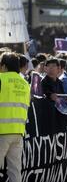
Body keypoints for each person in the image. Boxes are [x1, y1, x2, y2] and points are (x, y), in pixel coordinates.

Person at [0, 52, 30, 182]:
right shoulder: (25, 83)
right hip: (18, 132)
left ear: (4, 66)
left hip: (2, 132)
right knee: (15, 171)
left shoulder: (1, 79)